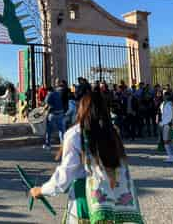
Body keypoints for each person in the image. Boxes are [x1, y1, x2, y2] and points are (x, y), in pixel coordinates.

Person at [30, 91, 143, 224]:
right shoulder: (112, 132)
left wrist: (42, 190)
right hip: (113, 202)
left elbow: (65, 174)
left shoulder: (75, 134)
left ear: (81, 108)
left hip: (85, 200)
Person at [160, 92, 173, 163]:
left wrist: (162, 123)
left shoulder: (167, 105)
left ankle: (170, 157)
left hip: (167, 124)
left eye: (164, 95)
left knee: (166, 141)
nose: (163, 97)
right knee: (171, 140)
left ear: (166, 97)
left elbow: (168, 116)